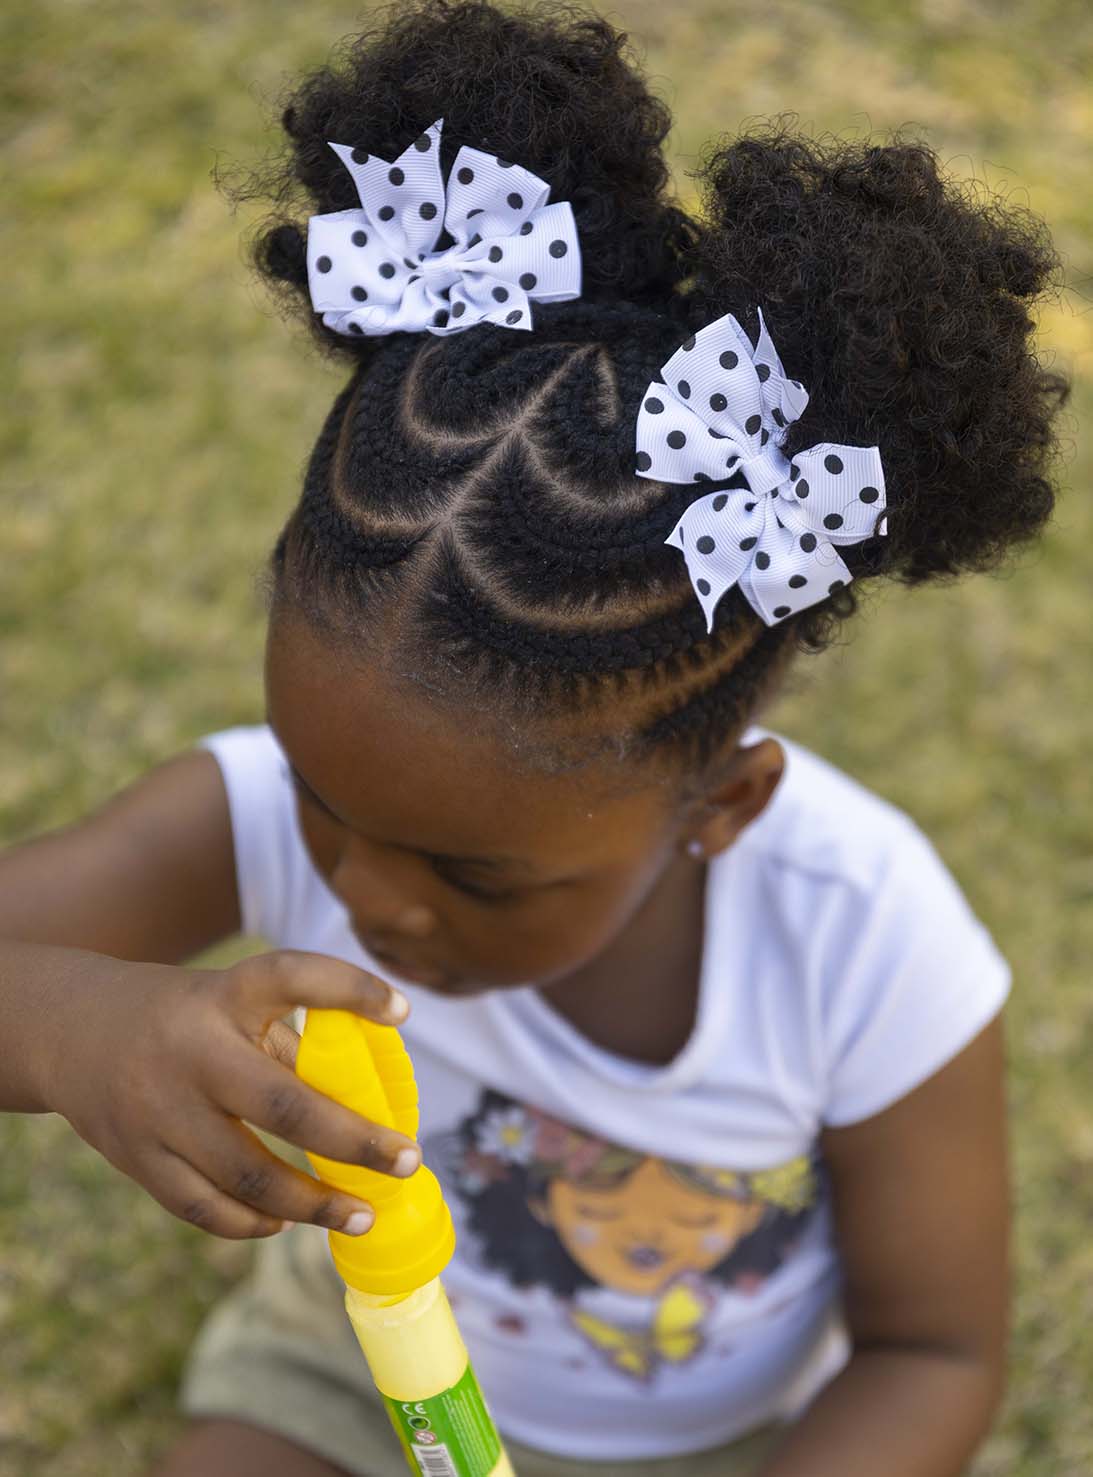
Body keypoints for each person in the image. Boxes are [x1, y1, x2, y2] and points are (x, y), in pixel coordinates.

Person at [0, 1, 1070, 1473]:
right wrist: (69, 1028)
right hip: (346, 1380)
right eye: (320, 800)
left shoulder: (864, 939)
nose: (365, 896)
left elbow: (929, 1351)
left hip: (726, 1441)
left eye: (477, 877)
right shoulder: (259, 820)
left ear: (723, 805)